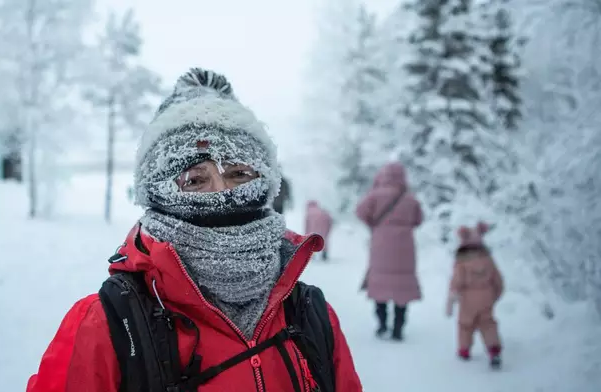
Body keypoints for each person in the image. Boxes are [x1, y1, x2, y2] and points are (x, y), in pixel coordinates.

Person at [26, 68, 362, 392]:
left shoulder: (311, 315)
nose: (223, 193)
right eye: (195, 180)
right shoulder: (108, 325)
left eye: (239, 174)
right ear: (159, 192)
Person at [356, 161, 423, 341]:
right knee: (402, 287)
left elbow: (360, 211)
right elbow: (419, 219)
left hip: (381, 243)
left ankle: (382, 324)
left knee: (380, 284)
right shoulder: (410, 198)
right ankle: (398, 328)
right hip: (405, 247)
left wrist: (374, 224)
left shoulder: (375, 195)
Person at [446, 222, 504, 369]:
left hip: (467, 299)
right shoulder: (487, 259)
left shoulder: (462, 262)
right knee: (488, 323)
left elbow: (456, 282)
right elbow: (498, 280)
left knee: (465, 325)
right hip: (486, 296)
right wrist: (494, 296)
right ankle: (494, 350)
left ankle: (464, 350)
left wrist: (451, 301)